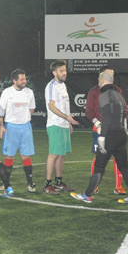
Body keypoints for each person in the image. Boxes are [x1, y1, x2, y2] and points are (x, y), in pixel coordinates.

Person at [71, 70, 128, 204]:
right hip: (120, 135)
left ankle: (88, 195)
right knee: (124, 166)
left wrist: (102, 137)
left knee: (99, 167)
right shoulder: (119, 95)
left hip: (109, 136)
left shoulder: (104, 96)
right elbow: (124, 114)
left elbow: (106, 118)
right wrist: (124, 129)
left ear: (102, 81)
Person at [85, 68, 125, 195]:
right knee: (98, 157)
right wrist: (98, 123)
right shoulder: (93, 92)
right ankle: (94, 186)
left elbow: (124, 109)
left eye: (112, 74)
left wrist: (124, 125)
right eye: (108, 74)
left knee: (117, 157)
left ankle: (118, 186)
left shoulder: (118, 90)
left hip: (115, 129)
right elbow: (89, 111)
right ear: (101, 77)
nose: (111, 76)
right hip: (99, 129)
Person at [44, 60, 79, 194]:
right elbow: (51, 106)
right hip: (55, 124)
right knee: (53, 154)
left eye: (65, 70)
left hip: (63, 124)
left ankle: (58, 183)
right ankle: (47, 185)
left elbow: (63, 106)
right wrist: (66, 117)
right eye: (61, 71)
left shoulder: (62, 85)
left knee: (61, 155)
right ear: (54, 72)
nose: (64, 73)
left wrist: (68, 123)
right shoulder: (52, 86)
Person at [0, 68, 37, 192]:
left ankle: (30, 184)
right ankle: (5, 183)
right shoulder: (7, 92)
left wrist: (24, 119)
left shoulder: (29, 92)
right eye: (21, 79)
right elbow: (0, 111)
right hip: (11, 127)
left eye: (24, 79)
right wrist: (1, 126)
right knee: (9, 156)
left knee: (26, 156)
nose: (24, 81)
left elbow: (32, 109)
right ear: (14, 80)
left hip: (26, 127)